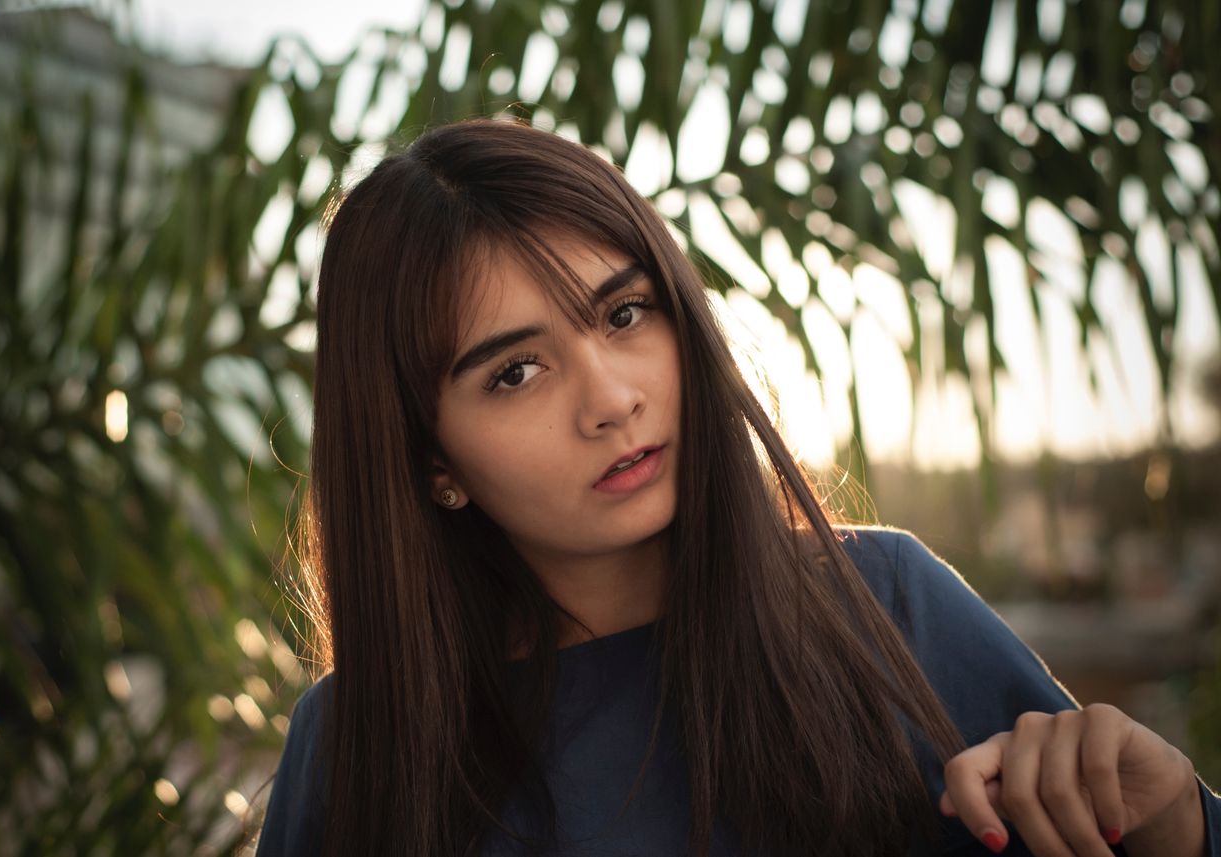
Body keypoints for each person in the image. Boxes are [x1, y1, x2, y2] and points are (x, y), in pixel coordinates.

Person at [252, 117, 1220, 857]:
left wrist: (1172, 821)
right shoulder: (350, 749)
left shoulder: (881, 607)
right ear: (433, 462)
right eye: (514, 372)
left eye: (625, 311)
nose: (611, 398)